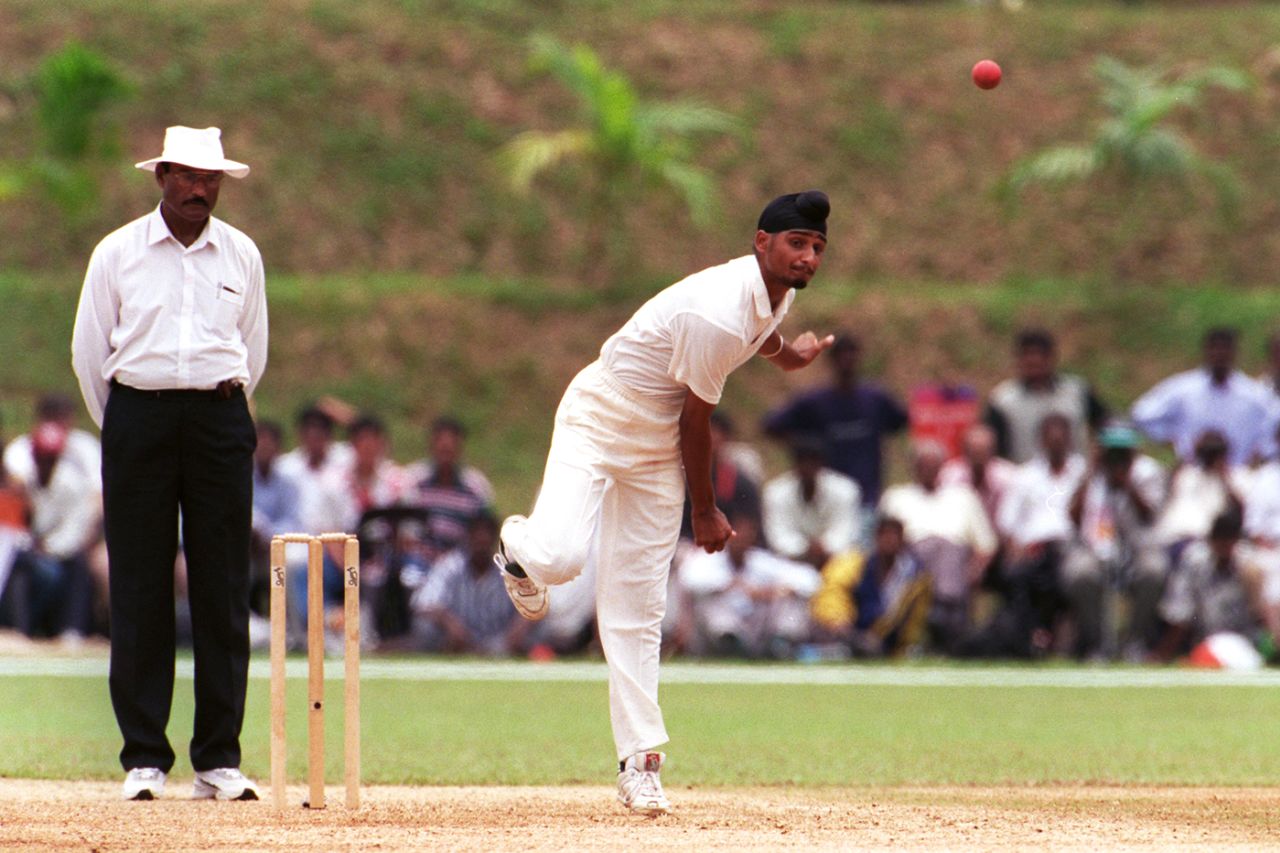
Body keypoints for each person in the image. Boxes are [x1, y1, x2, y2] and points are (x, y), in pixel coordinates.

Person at [493, 190, 837, 815]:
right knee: (562, 558)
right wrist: (704, 510)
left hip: (655, 448)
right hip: (602, 415)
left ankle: (640, 763)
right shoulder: (717, 312)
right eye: (797, 244)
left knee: (638, 605)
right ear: (761, 242)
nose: (808, 257)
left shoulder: (772, 291)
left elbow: (762, 332)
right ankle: (518, 545)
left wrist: (792, 357)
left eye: (817, 248)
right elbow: (696, 421)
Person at [70, 126, 265, 802]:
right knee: (139, 585)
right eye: (186, 175)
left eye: (210, 179)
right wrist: (131, 421)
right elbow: (89, 353)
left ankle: (218, 758)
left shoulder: (241, 254)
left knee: (223, 587)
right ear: (161, 177)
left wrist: (213, 409)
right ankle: (145, 757)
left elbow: (253, 349)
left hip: (218, 418)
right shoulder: (118, 252)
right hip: (139, 417)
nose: (199, 189)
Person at [761, 331, 907, 507]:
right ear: (832, 361)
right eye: (841, 356)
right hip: (829, 498)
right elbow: (772, 425)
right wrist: (804, 445)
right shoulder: (815, 402)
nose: (847, 361)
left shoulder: (875, 399)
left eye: (851, 355)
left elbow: (902, 420)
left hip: (868, 494)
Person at [1061, 421, 1168, 660]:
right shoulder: (1090, 473)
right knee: (1079, 573)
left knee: (1154, 570)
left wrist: (1127, 482)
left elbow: (1150, 514)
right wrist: (1093, 471)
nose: (1117, 457)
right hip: (1095, 546)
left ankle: (1133, 642)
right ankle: (1098, 644)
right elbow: (1073, 517)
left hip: (1138, 547)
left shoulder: (1148, 471)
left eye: (1123, 451)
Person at [878, 440, 997, 652]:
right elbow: (883, 541)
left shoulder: (963, 497)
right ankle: (944, 621)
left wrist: (976, 570)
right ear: (913, 467)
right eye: (923, 465)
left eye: (933, 465)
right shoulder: (896, 497)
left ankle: (941, 617)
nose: (928, 470)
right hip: (911, 561)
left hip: (956, 562)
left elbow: (986, 545)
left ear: (942, 467)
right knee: (938, 549)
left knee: (948, 551)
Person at [675, 511, 820, 659]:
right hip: (722, 626)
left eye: (746, 535)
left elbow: (810, 579)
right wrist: (733, 585)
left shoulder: (760, 560)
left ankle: (779, 645)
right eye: (736, 535)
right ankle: (730, 646)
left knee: (789, 602)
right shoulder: (711, 559)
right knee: (710, 603)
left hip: (758, 625)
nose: (741, 540)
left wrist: (776, 591)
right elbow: (687, 578)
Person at [1131, 327, 1277, 467]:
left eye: (1225, 349)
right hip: (1193, 471)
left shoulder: (1253, 394)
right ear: (1206, 351)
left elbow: (1272, 426)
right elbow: (1142, 414)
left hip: (1238, 472)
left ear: (1234, 352)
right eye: (1215, 349)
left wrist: (1260, 452)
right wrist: (1170, 438)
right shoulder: (1183, 389)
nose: (1220, 355)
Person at [410, 511, 530, 655]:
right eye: (477, 536)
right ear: (467, 537)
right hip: (459, 641)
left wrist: (519, 627)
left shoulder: (509, 568)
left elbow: (536, 602)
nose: (481, 541)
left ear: (494, 539)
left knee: (542, 628)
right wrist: (448, 622)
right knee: (425, 626)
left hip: (502, 640)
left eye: (486, 537)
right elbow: (424, 603)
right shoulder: (450, 566)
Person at [810, 516, 931, 657]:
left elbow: (915, 620)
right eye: (885, 535)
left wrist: (905, 646)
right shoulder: (855, 564)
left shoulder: (915, 576)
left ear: (902, 540)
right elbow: (833, 591)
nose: (890, 540)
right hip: (852, 633)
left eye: (895, 535)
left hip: (888, 643)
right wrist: (839, 622)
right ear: (876, 537)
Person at [983, 328, 1108, 464]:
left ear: (1052, 357)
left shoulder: (1076, 391)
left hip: (1075, 474)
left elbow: (1107, 423)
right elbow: (992, 449)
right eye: (1027, 355)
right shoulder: (1003, 400)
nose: (1034, 360)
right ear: (1018, 359)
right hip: (1022, 474)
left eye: (1040, 354)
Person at [1152, 511, 1265, 662]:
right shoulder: (1194, 561)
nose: (1224, 547)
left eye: (1229, 541)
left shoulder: (1249, 565)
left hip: (1243, 644)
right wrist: (1163, 653)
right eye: (1220, 540)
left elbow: (1262, 614)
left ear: (1236, 541)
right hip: (1205, 643)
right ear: (1211, 540)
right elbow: (1180, 614)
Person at [761, 437, 861, 568]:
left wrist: (824, 547)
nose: (807, 468)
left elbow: (845, 532)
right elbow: (778, 536)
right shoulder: (776, 493)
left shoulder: (845, 490)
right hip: (792, 562)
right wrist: (806, 548)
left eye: (813, 463)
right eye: (802, 462)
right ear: (795, 465)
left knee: (852, 561)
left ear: (821, 464)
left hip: (834, 560)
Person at [405, 416, 493, 560]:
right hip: (418, 559)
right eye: (441, 448)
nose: (445, 454)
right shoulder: (414, 481)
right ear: (432, 446)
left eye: (450, 449)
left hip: (459, 561)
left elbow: (484, 530)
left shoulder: (475, 487)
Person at [938, 423, 1017, 530]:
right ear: (965, 452)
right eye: (974, 452)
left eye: (982, 452)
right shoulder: (948, 476)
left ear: (993, 452)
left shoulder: (1009, 477)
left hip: (1001, 533)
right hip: (963, 534)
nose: (978, 458)